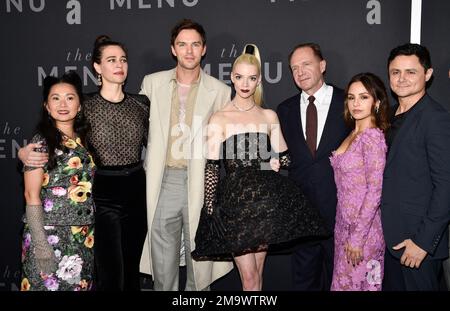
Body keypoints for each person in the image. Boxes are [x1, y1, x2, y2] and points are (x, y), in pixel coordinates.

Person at [191, 44, 328, 291]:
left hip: (265, 205)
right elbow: (211, 168)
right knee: (250, 279)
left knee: (258, 278)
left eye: (252, 78)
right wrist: (210, 208)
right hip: (236, 207)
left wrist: (273, 162)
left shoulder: (268, 116)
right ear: (232, 78)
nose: (245, 83)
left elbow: (286, 159)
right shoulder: (219, 118)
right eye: (240, 77)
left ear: (259, 81)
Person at [19, 36, 150, 291]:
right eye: (111, 60)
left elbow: (157, 148)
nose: (119, 65)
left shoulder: (142, 104)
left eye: (123, 59)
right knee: (110, 273)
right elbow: (50, 137)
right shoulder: (84, 104)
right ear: (97, 67)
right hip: (101, 194)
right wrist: (24, 154)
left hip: (136, 190)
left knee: (131, 270)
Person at [138, 19, 233, 291]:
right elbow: (129, 125)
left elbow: (238, 135)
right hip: (163, 180)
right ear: (173, 49)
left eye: (195, 45)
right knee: (163, 265)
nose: (189, 51)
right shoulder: (152, 83)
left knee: (199, 264)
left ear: (204, 49)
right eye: (182, 44)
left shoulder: (221, 91)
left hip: (202, 183)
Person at [277, 43, 350, 290]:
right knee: (304, 284)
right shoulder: (284, 110)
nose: (300, 72)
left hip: (342, 214)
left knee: (340, 282)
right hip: (302, 219)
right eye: (294, 68)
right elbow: (283, 158)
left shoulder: (349, 102)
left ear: (322, 65)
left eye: (306, 64)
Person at [381, 43, 450, 291]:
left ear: (428, 74)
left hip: (417, 245)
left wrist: (422, 242)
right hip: (388, 240)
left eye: (411, 72)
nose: (402, 79)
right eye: (395, 72)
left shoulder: (435, 118)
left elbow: (446, 187)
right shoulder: (386, 116)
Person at [21, 71, 95, 291]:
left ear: (80, 105)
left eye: (70, 98)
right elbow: (30, 195)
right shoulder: (40, 142)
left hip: (82, 236)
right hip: (48, 234)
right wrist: (41, 245)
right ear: (46, 105)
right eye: (56, 98)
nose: (63, 104)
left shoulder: (85, 140)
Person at [329, 73, 389, 291]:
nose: (356, 103)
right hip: (343, 226)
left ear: (377, 102)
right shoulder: (353, 134)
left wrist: (357, 238)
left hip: (364, 233)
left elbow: (375, 192)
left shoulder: (372, 138)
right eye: (351, 97)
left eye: (364, 97)